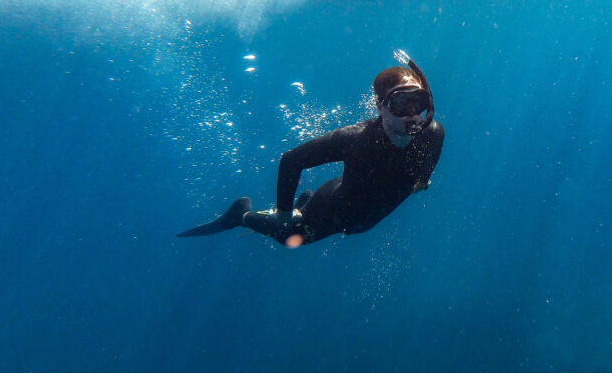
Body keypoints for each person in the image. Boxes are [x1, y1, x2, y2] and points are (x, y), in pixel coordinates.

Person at [179, 57, 444, 248]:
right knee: (290, 238)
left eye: (418, 102)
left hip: (365, 218)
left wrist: (419, 183)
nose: (412, 113)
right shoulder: (355, 140)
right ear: (381, 107)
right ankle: (241, 215)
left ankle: (300, 204)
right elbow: (291, 160)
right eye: (400, 103)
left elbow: (422, 176)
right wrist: (283, 214)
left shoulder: (433, 134)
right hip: (335, 210)